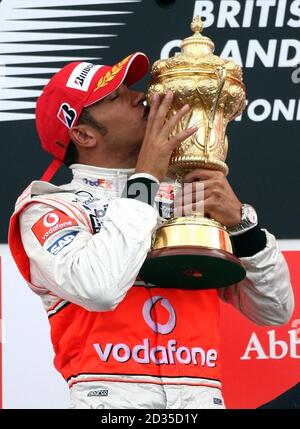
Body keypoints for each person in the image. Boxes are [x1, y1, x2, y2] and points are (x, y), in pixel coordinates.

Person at [9, 52, 294, 409]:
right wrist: (144, 182)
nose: (139, 96)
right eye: (116, 96)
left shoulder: (186, 195)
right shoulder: (50, 208)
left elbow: (274, 311)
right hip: (112, 403)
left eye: (131, 87)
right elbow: (99, 287)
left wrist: (240, 225)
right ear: (83, 134)